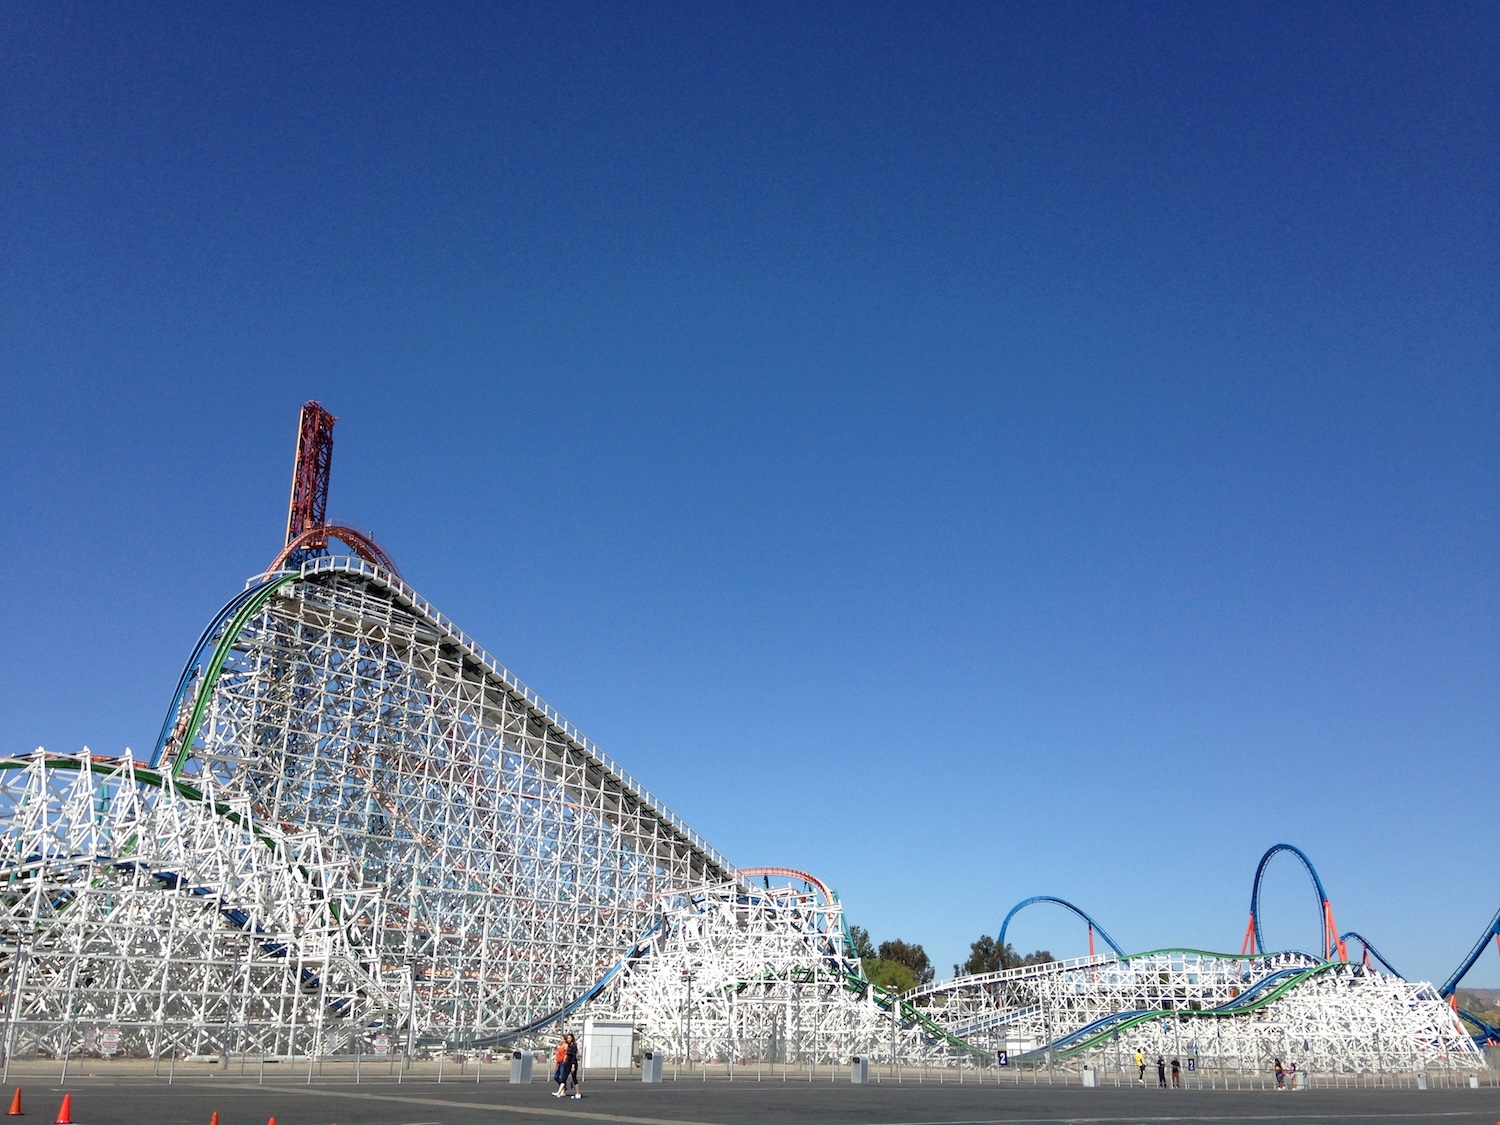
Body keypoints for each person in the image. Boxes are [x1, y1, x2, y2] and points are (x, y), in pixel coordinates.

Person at [564, 1032, 582, 1099]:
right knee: (564, 1077)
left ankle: (578, 1093)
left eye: (569, 1038)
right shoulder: (568, 1045)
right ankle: (561, 1092)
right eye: (567, 1038)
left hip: (572, 1063)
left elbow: (574, 1057)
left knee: (574, 1078)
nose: (568, 1039)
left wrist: (573, 1066)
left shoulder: (574, 1046)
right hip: (568, 1063)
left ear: (572, 1038)